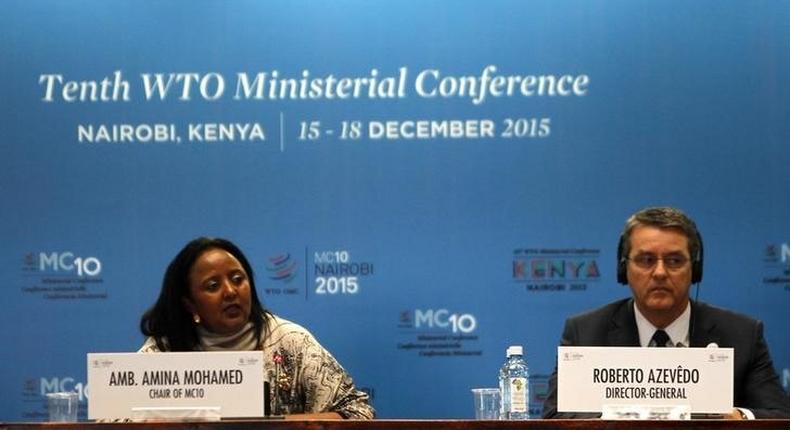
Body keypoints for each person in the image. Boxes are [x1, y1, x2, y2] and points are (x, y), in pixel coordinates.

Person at [543, 207, 790, 419]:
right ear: (623, 268)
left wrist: (738, 416)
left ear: (695, 269)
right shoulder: (585, 333)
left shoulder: (742, 334)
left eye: (674, 261)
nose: (660, 273)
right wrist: (617, 416)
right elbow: (554, 416)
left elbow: (780, 415)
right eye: (646, 260)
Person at [139, 237, 375, 419]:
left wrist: (282, 426)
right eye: (213, 285)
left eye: (237, 279)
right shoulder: (164, 352)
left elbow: (358, 411)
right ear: (189, 304)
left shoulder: (290, 342)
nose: (231, 291)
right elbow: (114, 420)